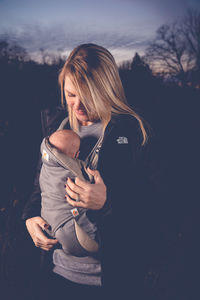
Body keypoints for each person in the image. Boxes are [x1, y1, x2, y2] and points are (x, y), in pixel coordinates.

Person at [22, 43, 152, 299]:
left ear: (108, 90)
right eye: (71, 95)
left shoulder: (133, 134)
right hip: (55, 274)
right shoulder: (57, 129)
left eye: (87, 96)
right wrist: (29, 219)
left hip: (110, 283)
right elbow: (41, 187)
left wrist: (106, 203)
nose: (77, 106)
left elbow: (155, 214)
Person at [40, 128, 100, 261]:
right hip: (66, 222)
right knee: (87, 239)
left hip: (48, 219)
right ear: (76, 155)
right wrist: (29, 219)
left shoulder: (46, 159)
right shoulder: (75, 167)